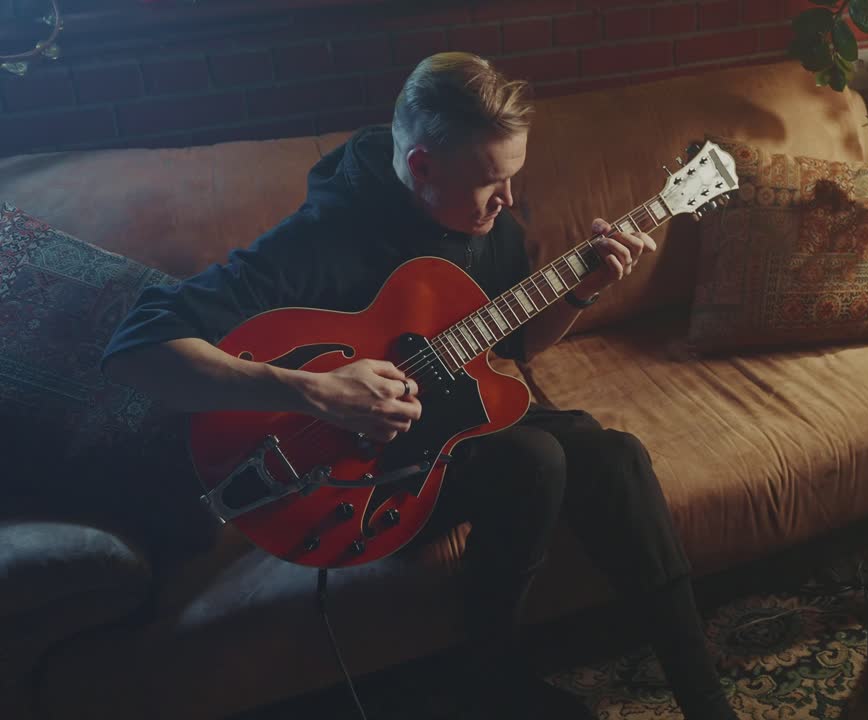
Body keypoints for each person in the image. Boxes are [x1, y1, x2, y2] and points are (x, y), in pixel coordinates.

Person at [101, 52, 738, 720]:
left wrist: (582, 291)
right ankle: (489, 679)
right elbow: (136, 349)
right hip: (351, 481)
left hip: (453, 429)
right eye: (492, 182)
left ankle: (705, 699)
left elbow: (514, 344)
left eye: (514, 177)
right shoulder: (323, 237)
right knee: (535, 457)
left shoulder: (487, 220)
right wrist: (313, 392)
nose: (510, 200)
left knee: (616, 457)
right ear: (422, 166)